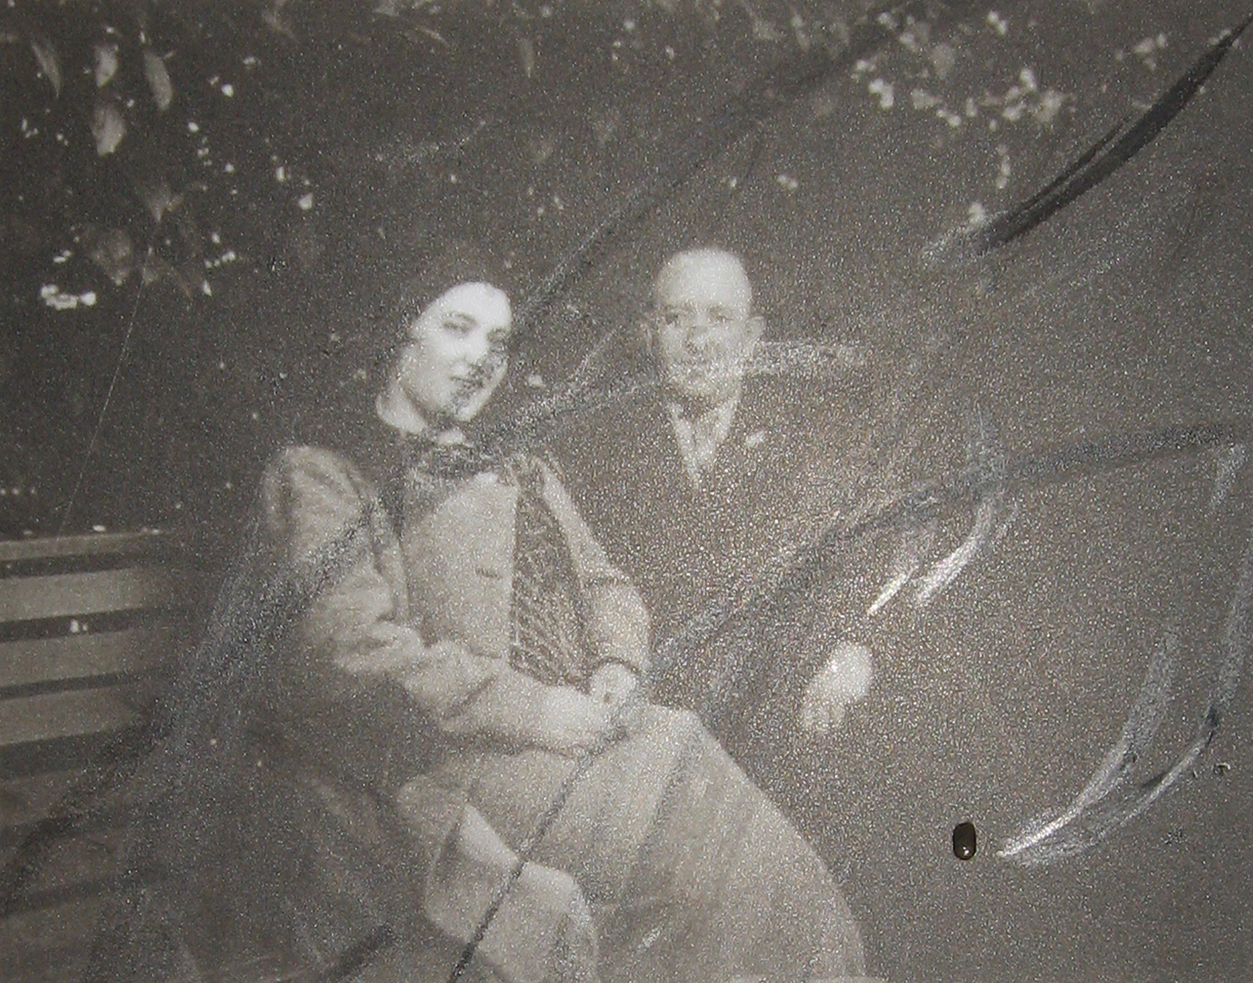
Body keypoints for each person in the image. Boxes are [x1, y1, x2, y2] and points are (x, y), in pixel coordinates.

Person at [247, 257, 869, 983]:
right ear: (399, 335)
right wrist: (538, 710)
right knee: (710, 853)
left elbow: (606, 582)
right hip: (455, 765)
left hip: (581, 730)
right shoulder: (324, 473)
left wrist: (617, 666)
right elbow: (354, 649)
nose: (480, 358)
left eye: (498, 342)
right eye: (457, 328)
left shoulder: (520, 465)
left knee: (746, 843)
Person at [557, 247, 876, 783]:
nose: (697, 340)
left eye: (719, 319)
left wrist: (855, 645)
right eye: (676, 319)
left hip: (772, 726)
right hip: (640, 724)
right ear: (649, 333)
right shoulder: (602, 447)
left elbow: (858, 561)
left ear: (751, 337)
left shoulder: (813, 437)